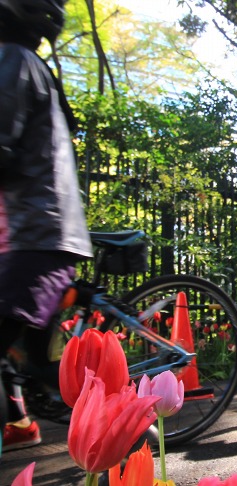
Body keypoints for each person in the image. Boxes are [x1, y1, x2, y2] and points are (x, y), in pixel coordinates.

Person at [0, 0, 92, 452]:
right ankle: (23, 415)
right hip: (41, 230)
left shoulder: (14, 62)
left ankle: (69, 403)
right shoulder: (37, 68)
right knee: (25, 348)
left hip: (38, 231)